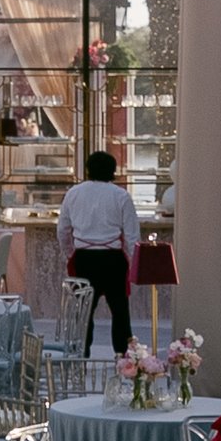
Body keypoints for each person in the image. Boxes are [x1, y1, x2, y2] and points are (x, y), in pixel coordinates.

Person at [59, 148, 142, 357]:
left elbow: (63, 231)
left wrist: (71, 253)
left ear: (88, 169)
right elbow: (132, 236)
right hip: (113, 260)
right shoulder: (121, 196)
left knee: (83, 313)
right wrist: (134, 264)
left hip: (84, 259)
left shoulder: (73, 193)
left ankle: (80, 357)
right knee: (120, 313)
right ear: (113, 171)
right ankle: (123, 360)